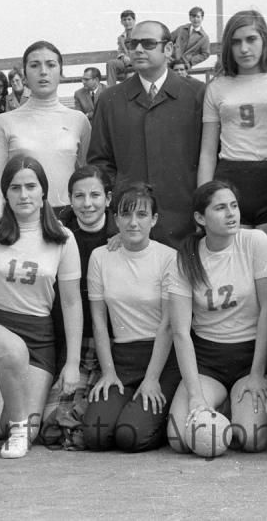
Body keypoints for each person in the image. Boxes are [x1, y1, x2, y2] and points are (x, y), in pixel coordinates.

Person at [0, 156, 84, 459]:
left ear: (43, 192)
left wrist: (72, 362)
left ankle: (12, 425)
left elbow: (71, 302)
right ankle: (16, 429)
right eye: (15, 188)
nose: (24, 194)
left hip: (38, 335)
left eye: (31, 186)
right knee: (11, 353)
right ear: (5, 194)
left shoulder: (63, 238)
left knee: (7, 434)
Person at [166, 181, 267, 455]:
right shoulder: (187, 258)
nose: (231, 214)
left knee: (252, 439)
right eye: (220, 208)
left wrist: (256, 373)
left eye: (234, 206)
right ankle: (219, 403)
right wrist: (195, 396)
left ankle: (230, 408)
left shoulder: (255, 242)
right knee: (180, 439)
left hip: (250, 356)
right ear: (200, 218)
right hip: (208, 361)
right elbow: (180, 332)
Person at [89, 20, 206, 249]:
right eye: (133, 44)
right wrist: (120, 213)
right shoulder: (110, 101)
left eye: (149, 43)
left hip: (187, 228)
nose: (139, 49)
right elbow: (100, 165)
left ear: (169, 50)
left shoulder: (196, 95)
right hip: (129, 231)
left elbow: (209, 157)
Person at [82, 182, 180, 452]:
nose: (133, 222)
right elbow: (99, 321)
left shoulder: (168, 258)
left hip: (160, 359)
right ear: (115, 219)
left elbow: (168, 326)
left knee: (130, 437)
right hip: (121, 359)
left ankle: (159, 417)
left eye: (141, 215)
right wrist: (109, 372)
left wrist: (151, 379)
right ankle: (131, 410)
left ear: (154, 219)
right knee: (96, 435)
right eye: (125, 215)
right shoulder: (100, 257)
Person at [39, 166, 118, 448]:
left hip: (110, 339)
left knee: (97, 420)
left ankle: (85, 412)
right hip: (69, 339)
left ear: (108, 199)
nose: (87, 204)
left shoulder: (122, 234)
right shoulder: (57, 233)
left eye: (95, 195)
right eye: (79, 196)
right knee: (45, 427)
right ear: (70, 199)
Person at [199, 9, 267, 233]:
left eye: (251, 39)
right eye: (236, 42)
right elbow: (207, 152)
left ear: (265, 39)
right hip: (230, 177)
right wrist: (203, 200)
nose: (244, 49)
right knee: (233, 259)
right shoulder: (217, 86)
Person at [0, 41, 91, 218]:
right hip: (21, 218)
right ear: (24, 75)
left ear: (61, 72)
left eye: (51, 65)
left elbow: (88, 176)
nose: (43, 71)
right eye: (35, 65)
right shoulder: (4, 122)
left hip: (69, 218)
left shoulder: (79, 120)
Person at [106, 9, 136, 85]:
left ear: (134, 20)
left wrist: (132, 57)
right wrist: (123, 57)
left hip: (138, 61)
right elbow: (120, 51)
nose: (127, 22)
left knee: (130, 75)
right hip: (126, 63)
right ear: (121, 22)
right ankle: (111, 91)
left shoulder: (141, 33)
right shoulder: (121, 37)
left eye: (129, 19)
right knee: (111, 63)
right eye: (124, 20)